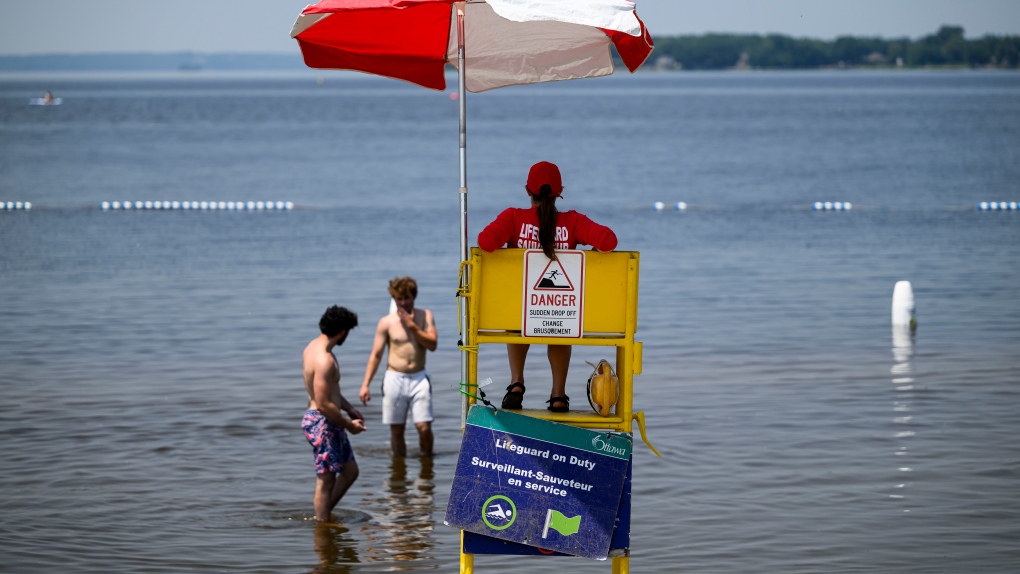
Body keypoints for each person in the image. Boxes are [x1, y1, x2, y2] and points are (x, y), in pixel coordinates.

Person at [477, 161, 617, 413]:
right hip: (560, 311)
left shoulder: (513, 218)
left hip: (519, 312)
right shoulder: (573, 221)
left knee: (516, 314)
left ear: (527, 191)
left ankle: (516, 382)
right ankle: (558, 395)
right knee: (564, 320)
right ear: (559, 192)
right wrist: (594, 253)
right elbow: (609, 240)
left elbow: (485, 242)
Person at [359, 277, 438, 457]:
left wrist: (412, 326)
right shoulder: (386, 322)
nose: (403, 303)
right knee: (397, 430)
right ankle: (399, 467)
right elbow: (376, 355)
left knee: (424, 428)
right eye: (399, 299)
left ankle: (427, 466)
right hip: (394, 378)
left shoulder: (425, 316)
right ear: (394, 299)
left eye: (407, 298)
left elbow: (432, 345)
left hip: (419, 377)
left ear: (414, 297)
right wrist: (365, 384)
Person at [302, 305, 365, 522]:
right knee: (326, 480)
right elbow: (323, 404)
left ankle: (324, 515)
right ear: (341, 331)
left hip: (331, 419)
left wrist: (348, 408)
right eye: (347, 331)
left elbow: (331, 393)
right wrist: (349, 425)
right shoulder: (324, 359)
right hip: (322, 421)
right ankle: (322, 527)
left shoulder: (313, 347)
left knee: (350, 471)